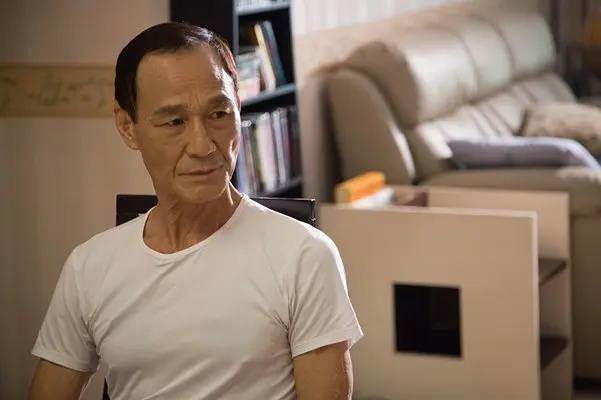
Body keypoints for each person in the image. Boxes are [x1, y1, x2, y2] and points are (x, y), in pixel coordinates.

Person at [27, 22, 363, 400]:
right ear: (127, 127)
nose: (203, 146)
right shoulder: (89, 267)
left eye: (219, 114)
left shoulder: (303, 256)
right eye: (174, 122)